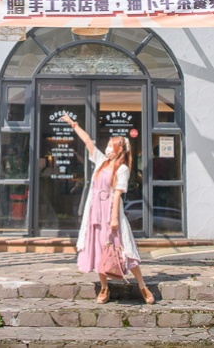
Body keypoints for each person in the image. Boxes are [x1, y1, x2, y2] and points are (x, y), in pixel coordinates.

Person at [60, 115, 154, 305]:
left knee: (124, 248)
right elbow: (87, 140)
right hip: (95, 211)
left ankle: (143, 286)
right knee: (99, 249)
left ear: (120, 149)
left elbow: (117, 195)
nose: (108, 148)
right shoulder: (101, 161)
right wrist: (73, 124)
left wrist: (113, 219)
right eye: (108, 145)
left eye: (112, 146)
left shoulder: (123, 169)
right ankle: (104, 288)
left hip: (110, 212)